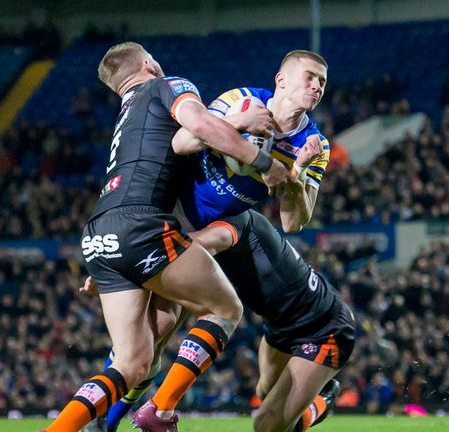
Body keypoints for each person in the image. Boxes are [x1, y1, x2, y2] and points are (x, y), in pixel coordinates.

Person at [90, 50, 355, 432]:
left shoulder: (315, 144)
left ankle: (109, 421)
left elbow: (294, 221)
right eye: (310, 77)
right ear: (281, 80)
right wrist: (237, 123)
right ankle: (109, 420)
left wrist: (294, 176)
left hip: (216, 230)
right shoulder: (241, 99)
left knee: (160, 328)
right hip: (175, 210)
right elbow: (181, 142)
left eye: (323, 82)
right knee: (156, 331)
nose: (316, 86)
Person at [42, 42, 289, 432]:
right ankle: (158, 413)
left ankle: (62, 429)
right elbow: (202, 126)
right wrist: (262, 161)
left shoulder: (128, 114)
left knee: (133, 362)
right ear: (147, 64)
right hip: (142, 225)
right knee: (225, 310)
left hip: (99, 235)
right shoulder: (166, 85)